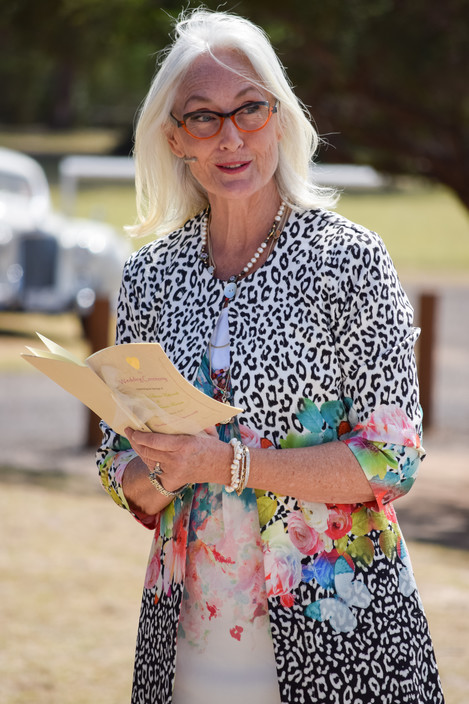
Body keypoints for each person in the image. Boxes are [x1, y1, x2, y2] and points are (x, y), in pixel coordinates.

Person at [97, 8, 444, 704]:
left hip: (341, 633)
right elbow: (118, 468)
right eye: (203, 117)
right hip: (188, 644)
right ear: (174, 138)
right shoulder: (148, 277)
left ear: (280, 118)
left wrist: (225, 463)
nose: (230, 136)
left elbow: (391, 458)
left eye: (249, 109)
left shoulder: (349, 261)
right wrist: (163, 467)